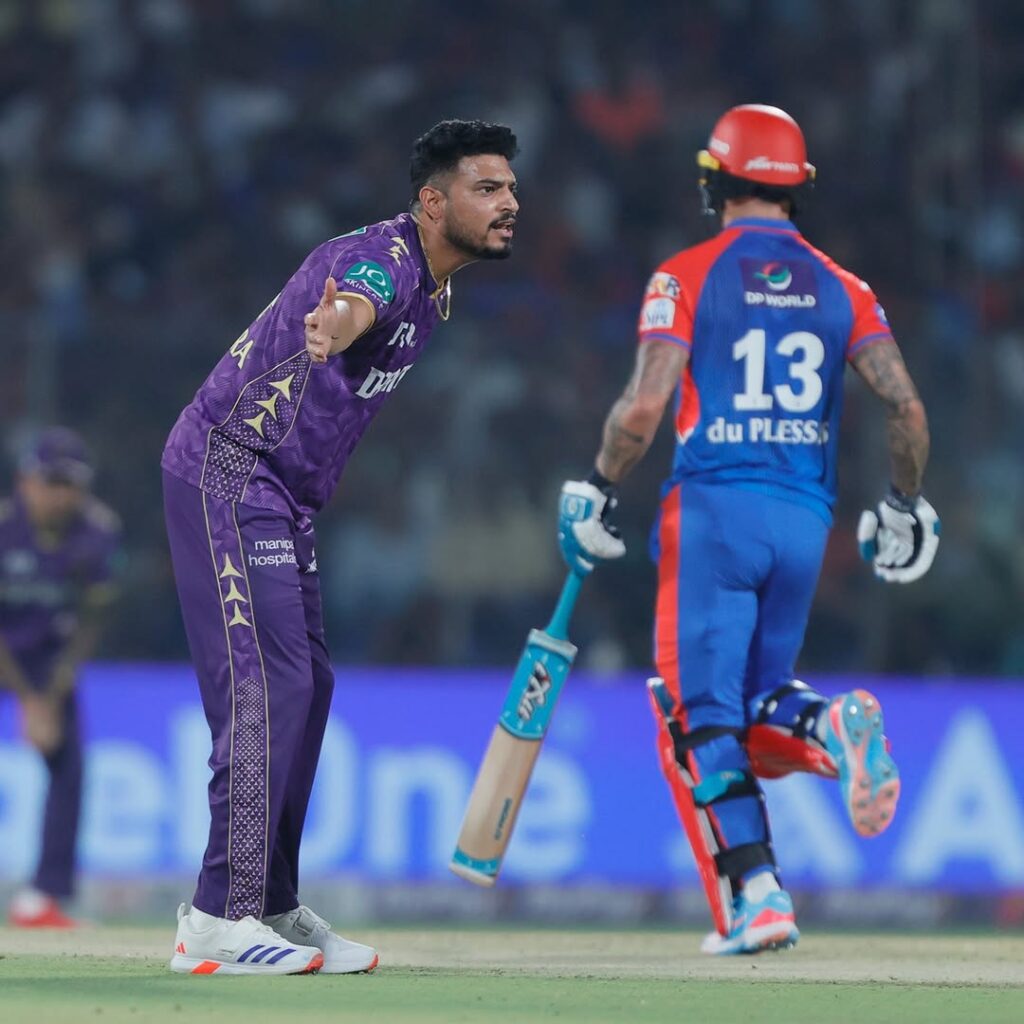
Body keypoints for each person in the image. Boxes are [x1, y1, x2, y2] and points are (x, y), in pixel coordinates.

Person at [558, 104, 939, 955]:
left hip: (713, 515)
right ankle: (828, 726)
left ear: (713, 182)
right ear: (799, 188)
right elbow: (907, 410)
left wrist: (597, 486)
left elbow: (644, 407)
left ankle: (759, 896)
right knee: (755, 701)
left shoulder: (684, 276)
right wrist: (903, 504)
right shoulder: (846, 287)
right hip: (804, 520)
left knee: (699, 712)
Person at [161, 119, 519, 975]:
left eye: (510, 187)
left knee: (310, 687)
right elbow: (356, 300)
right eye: (487, 189)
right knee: (267, 689)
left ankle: (269, 904)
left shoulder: (437, 285)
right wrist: (337, 324)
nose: (510, 203)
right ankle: (215, 919)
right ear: (432, 202)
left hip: (284, 497)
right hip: (229, 468)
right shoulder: (384, 262)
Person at [0, 427, 122, 928]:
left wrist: (51, 693)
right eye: (51, 481)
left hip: (50, 661)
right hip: (8, 652)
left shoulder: (97, 531)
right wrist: (28, 701)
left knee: (69, 766)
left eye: (71, 484)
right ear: (25, 481)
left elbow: (93, 619)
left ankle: (45, 896)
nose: (61, 495)